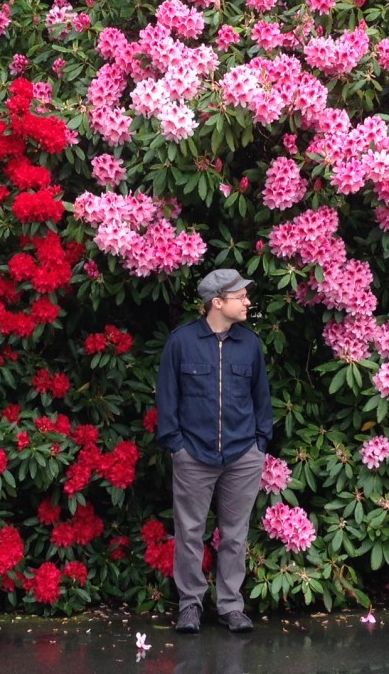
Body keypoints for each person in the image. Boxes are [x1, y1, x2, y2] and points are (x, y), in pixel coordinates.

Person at [156, 268, 273, 634]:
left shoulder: (250, 344)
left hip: (242, 455)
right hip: (194, 455)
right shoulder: (181, 342)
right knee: (189, 532)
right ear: (217, 302)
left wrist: (259, 443)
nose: (247, 302)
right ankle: (190, 606)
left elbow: (261, 399)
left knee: (235, 535)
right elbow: (167, 397)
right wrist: (176, 445)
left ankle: (230, 606)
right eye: (241, 297)